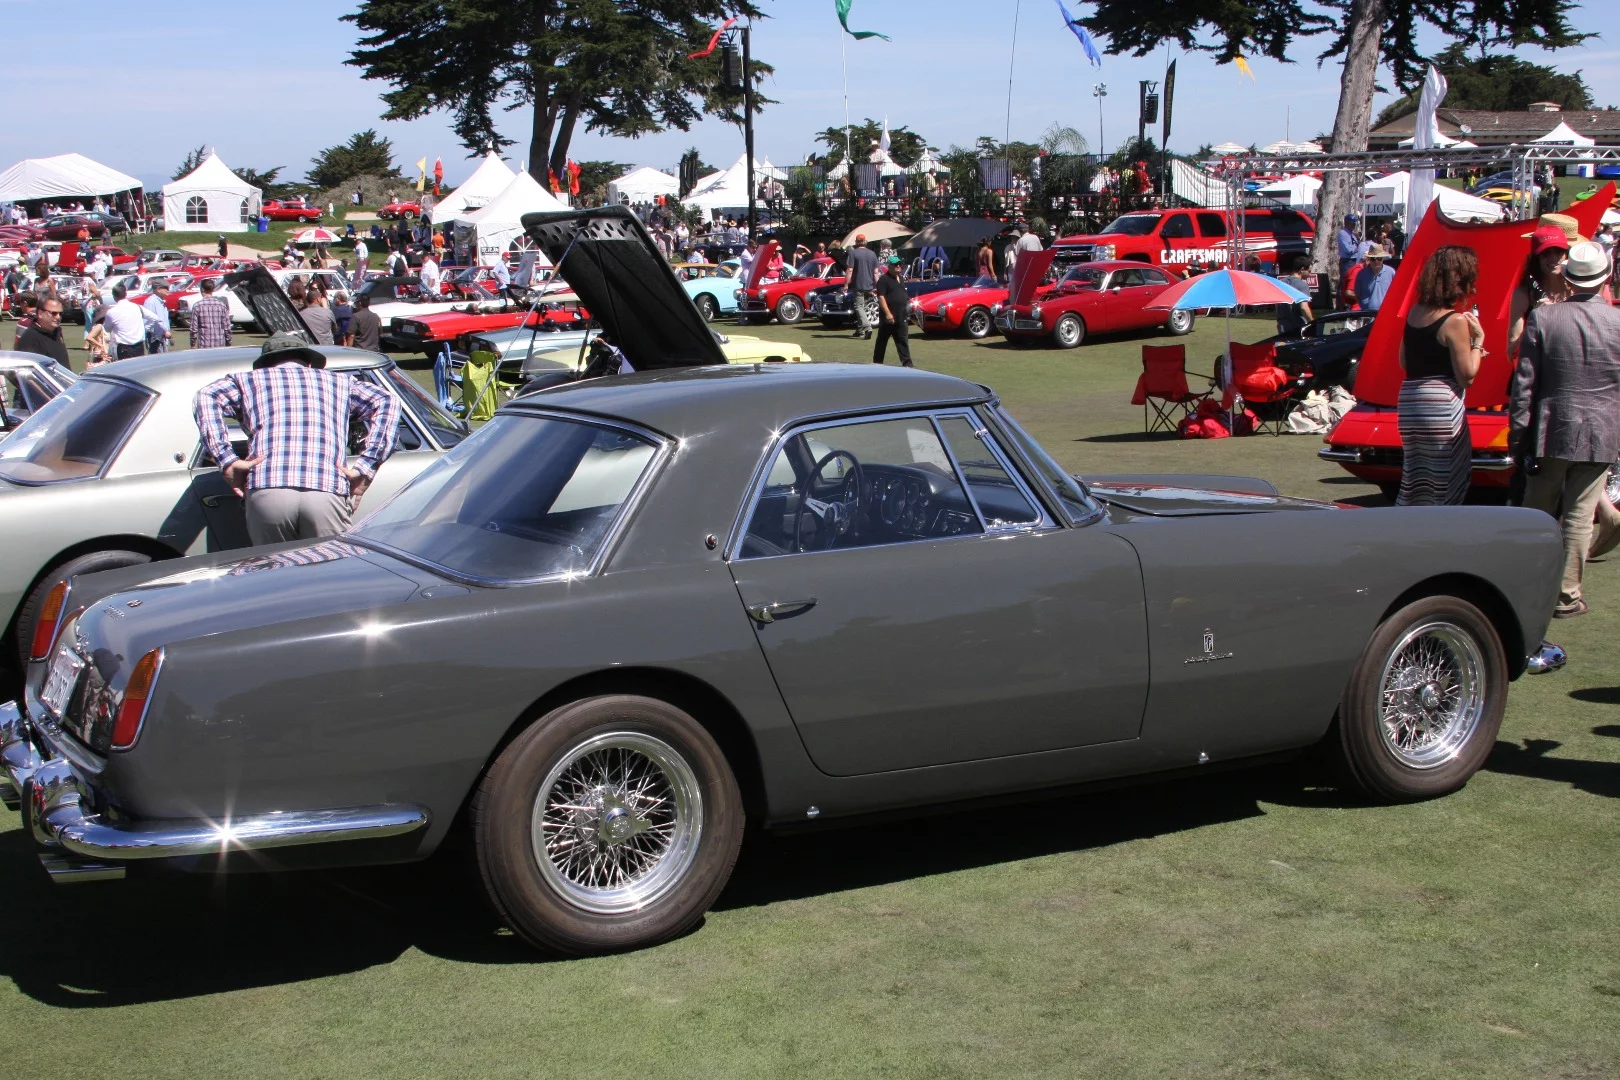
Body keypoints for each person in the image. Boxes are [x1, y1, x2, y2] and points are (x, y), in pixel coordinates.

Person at [193, 332, 400, 545]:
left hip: (268, 486)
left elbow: (206, 396)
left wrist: (226, 458)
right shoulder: (340, 382)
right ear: (309, 363)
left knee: (277, 572)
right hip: (326, 486)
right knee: (331, 572)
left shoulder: (246, 380)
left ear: (264, 364)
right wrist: (366, 466)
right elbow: (387, 401)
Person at [1509, 240, 1620, 619]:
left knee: (1535, 515)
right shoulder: (1616, 322)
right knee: (1578, 516)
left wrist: (1517, 433)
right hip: (1602, 431)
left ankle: (1524, 589)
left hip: (1550, 429)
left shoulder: (1544, 318)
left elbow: (1524, 383)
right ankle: (1566, 595)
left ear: (1570, 280)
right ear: (1604, 278)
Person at [1396, 246, 1484, 506]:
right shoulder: (1454, 321)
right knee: (1446, 481)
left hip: (1411, 400)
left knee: (1415, 480)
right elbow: (1467, 375)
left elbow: (1404, 360)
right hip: (1440, 403)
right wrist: (1478, 342)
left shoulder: (1415, 312)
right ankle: (1439, 535)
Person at [1508, 225, 1571, 361]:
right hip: (1537, 375)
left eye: (1558, 251)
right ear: (1536, 257)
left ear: (1566, 253)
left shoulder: (1577, 289)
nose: (1553, 258)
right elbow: (1511, 353)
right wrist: (1534, 321)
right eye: (1546, 253)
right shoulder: (1524, 294)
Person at [872, 256, 913, 367]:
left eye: (900, 264)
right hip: (889, 317)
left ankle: (907, 364)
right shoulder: (883, 280)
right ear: (889, 266)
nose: (899, 266)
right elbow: (881, 297)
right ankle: (877, 363)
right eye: (896, 264)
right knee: (882, 340)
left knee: (902, 340)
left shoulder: (901, 278)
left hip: (901, 315)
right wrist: (888, 314)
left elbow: (902, 295)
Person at [13, 295, 69, 366]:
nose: (58, 317)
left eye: (60, 313)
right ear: (40, 314)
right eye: (53, 313)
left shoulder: (57, 331)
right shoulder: (30, 339)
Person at [846, 234, 880, 340]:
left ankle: (867, 327)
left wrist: (846, 284)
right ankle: (860, 330)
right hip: (869, 285)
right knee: (863, 307)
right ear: (865, 241)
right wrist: (877, 285)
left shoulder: (853, 253)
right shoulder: (872, 254)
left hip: (858, 285)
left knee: (858, 307)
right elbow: (876, 272)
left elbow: (850, 270)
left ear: (856, 242)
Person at [103, 283, 148, 359]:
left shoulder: (112, 311)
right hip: (139, 346)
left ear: (114, 296)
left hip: (124, 348)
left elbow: (107, 328)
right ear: (126, 293)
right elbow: (154, 317)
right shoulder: (136, 307)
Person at [189, 277, 233, 349]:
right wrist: (228, 342)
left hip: (204, 344)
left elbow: (193, 328)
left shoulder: (197, 306)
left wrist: (193, 343)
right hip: (220, 344)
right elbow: (227, 327)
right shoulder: (221, 305)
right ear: (213, 289)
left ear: (202, 289)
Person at [1276, 257, 1314, 337]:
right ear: (1302, 269)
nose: (1310, 274)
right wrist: (1312, 323)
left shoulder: (1280, 283)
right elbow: (1304, 307)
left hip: (1282, 326)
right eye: (1309, 271)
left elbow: (1277, 305)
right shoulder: (1302, 285)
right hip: (1297, 326)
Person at [1354, 244, 1396, 312]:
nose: (1376, 261)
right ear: (1369, 259)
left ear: (1382, 259)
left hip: (1385, 312)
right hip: (1366, 313)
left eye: (1379, 259)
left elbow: (1395, 293)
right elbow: (1357, 295)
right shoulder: (1361, 274)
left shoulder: (1391, 272)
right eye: (1373, 259)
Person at [142, 280, 173, 353]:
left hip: (162, 337)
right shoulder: (150, 302)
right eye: (166, 288)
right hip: (155, 338)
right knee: (158, 361)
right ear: (158, 289)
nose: (168, 290)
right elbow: (147, 322)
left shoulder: (161, 301)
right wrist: (163, 331)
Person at [1337, 213, 1361, 289]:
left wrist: (1358, 240)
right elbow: (1348, 250)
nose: (1354, 225)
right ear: (1347, 223)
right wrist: (1356, 249)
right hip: (1347, 261)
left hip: (1354, 260)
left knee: (1353, 281)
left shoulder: (1352, 234)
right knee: (1345, 282)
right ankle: (1341, 299)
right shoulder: (1342, 234)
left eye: (1355, 223)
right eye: (1352, 223)